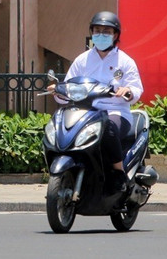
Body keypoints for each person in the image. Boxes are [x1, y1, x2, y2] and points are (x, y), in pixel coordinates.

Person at [50, 11, 143, 195]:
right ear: (92, 33)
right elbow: (68, 89)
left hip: (115, 113)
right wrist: (58, 90)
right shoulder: (82, 60)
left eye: (106, 31)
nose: (101, 35)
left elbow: (136, 89)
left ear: (115, 35)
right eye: (97, 31)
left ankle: (118, 172)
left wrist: (128, 91)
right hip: (85, 113)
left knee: (108, 127)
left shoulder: (125, 61)